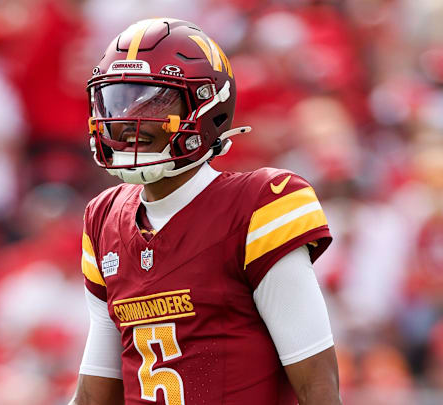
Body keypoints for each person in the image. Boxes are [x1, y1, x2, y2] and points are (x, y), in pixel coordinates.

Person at [70, 18, 341, 405]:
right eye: (117, 100)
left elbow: (318, 389)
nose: (129, 118)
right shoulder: (103, 218)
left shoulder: (259, 205)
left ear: (206, 107)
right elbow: (95, 395)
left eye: (155, 101)